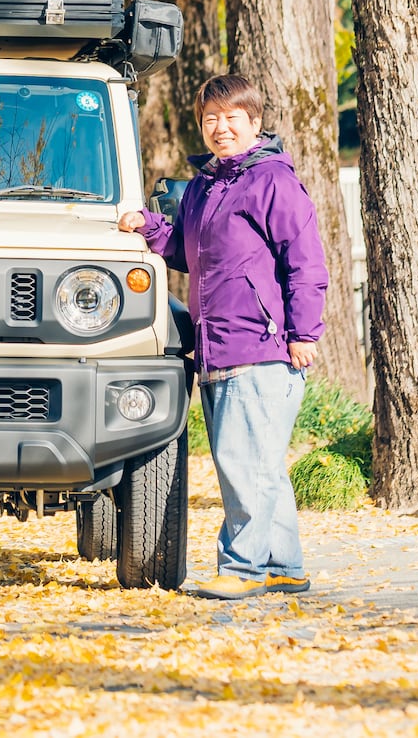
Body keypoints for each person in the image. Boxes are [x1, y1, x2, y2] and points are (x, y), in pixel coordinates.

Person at [118, 73, 328, 600]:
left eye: (232, 117)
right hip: (216, 348)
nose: (221, 127)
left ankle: (242, 569)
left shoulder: (272, 180)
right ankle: (284, 566)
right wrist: (146, 224)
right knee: (261, 467)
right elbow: (184, 251)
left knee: (243, 467)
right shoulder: (208, 185)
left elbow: (305, 263)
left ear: (255, 123)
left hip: (261, 347)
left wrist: (304, 332)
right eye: (211, 118)